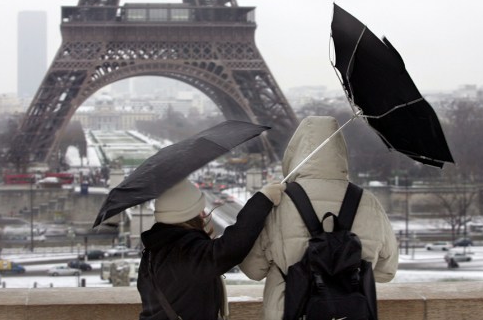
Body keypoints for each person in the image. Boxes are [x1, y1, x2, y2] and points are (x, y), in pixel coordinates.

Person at [240, 116, 399, 319]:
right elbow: (387, 271)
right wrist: (342, 276)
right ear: (341, 153)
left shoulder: (278, 203)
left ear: (294, 153)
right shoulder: (368, 202)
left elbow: (253, 270)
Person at [137, 178, 285, 320]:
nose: (204, 216)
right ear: (188, 216)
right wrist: (262, 199)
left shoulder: (152, 252)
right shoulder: (186, 251)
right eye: (199, 212)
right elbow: (232, 247)